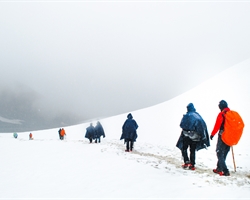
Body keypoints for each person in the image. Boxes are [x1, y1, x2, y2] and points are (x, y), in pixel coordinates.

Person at [176, 103, 210, 170]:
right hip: (195, 137)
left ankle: (186, 162)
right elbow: (202, 126)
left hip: (186, 136)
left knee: (184, 148)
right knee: (192, 150)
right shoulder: (198, 115)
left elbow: (181, 125)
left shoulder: (187, 115)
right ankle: (192, 164)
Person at [210, 100, 231, 176]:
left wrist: (212, 134)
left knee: (219, 152)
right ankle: (219, 168)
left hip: (223, 136)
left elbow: (217, 126)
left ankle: (225, 170)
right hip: (230, 136)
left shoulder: (222, 114)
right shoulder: (231, 114)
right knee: (225, 152)